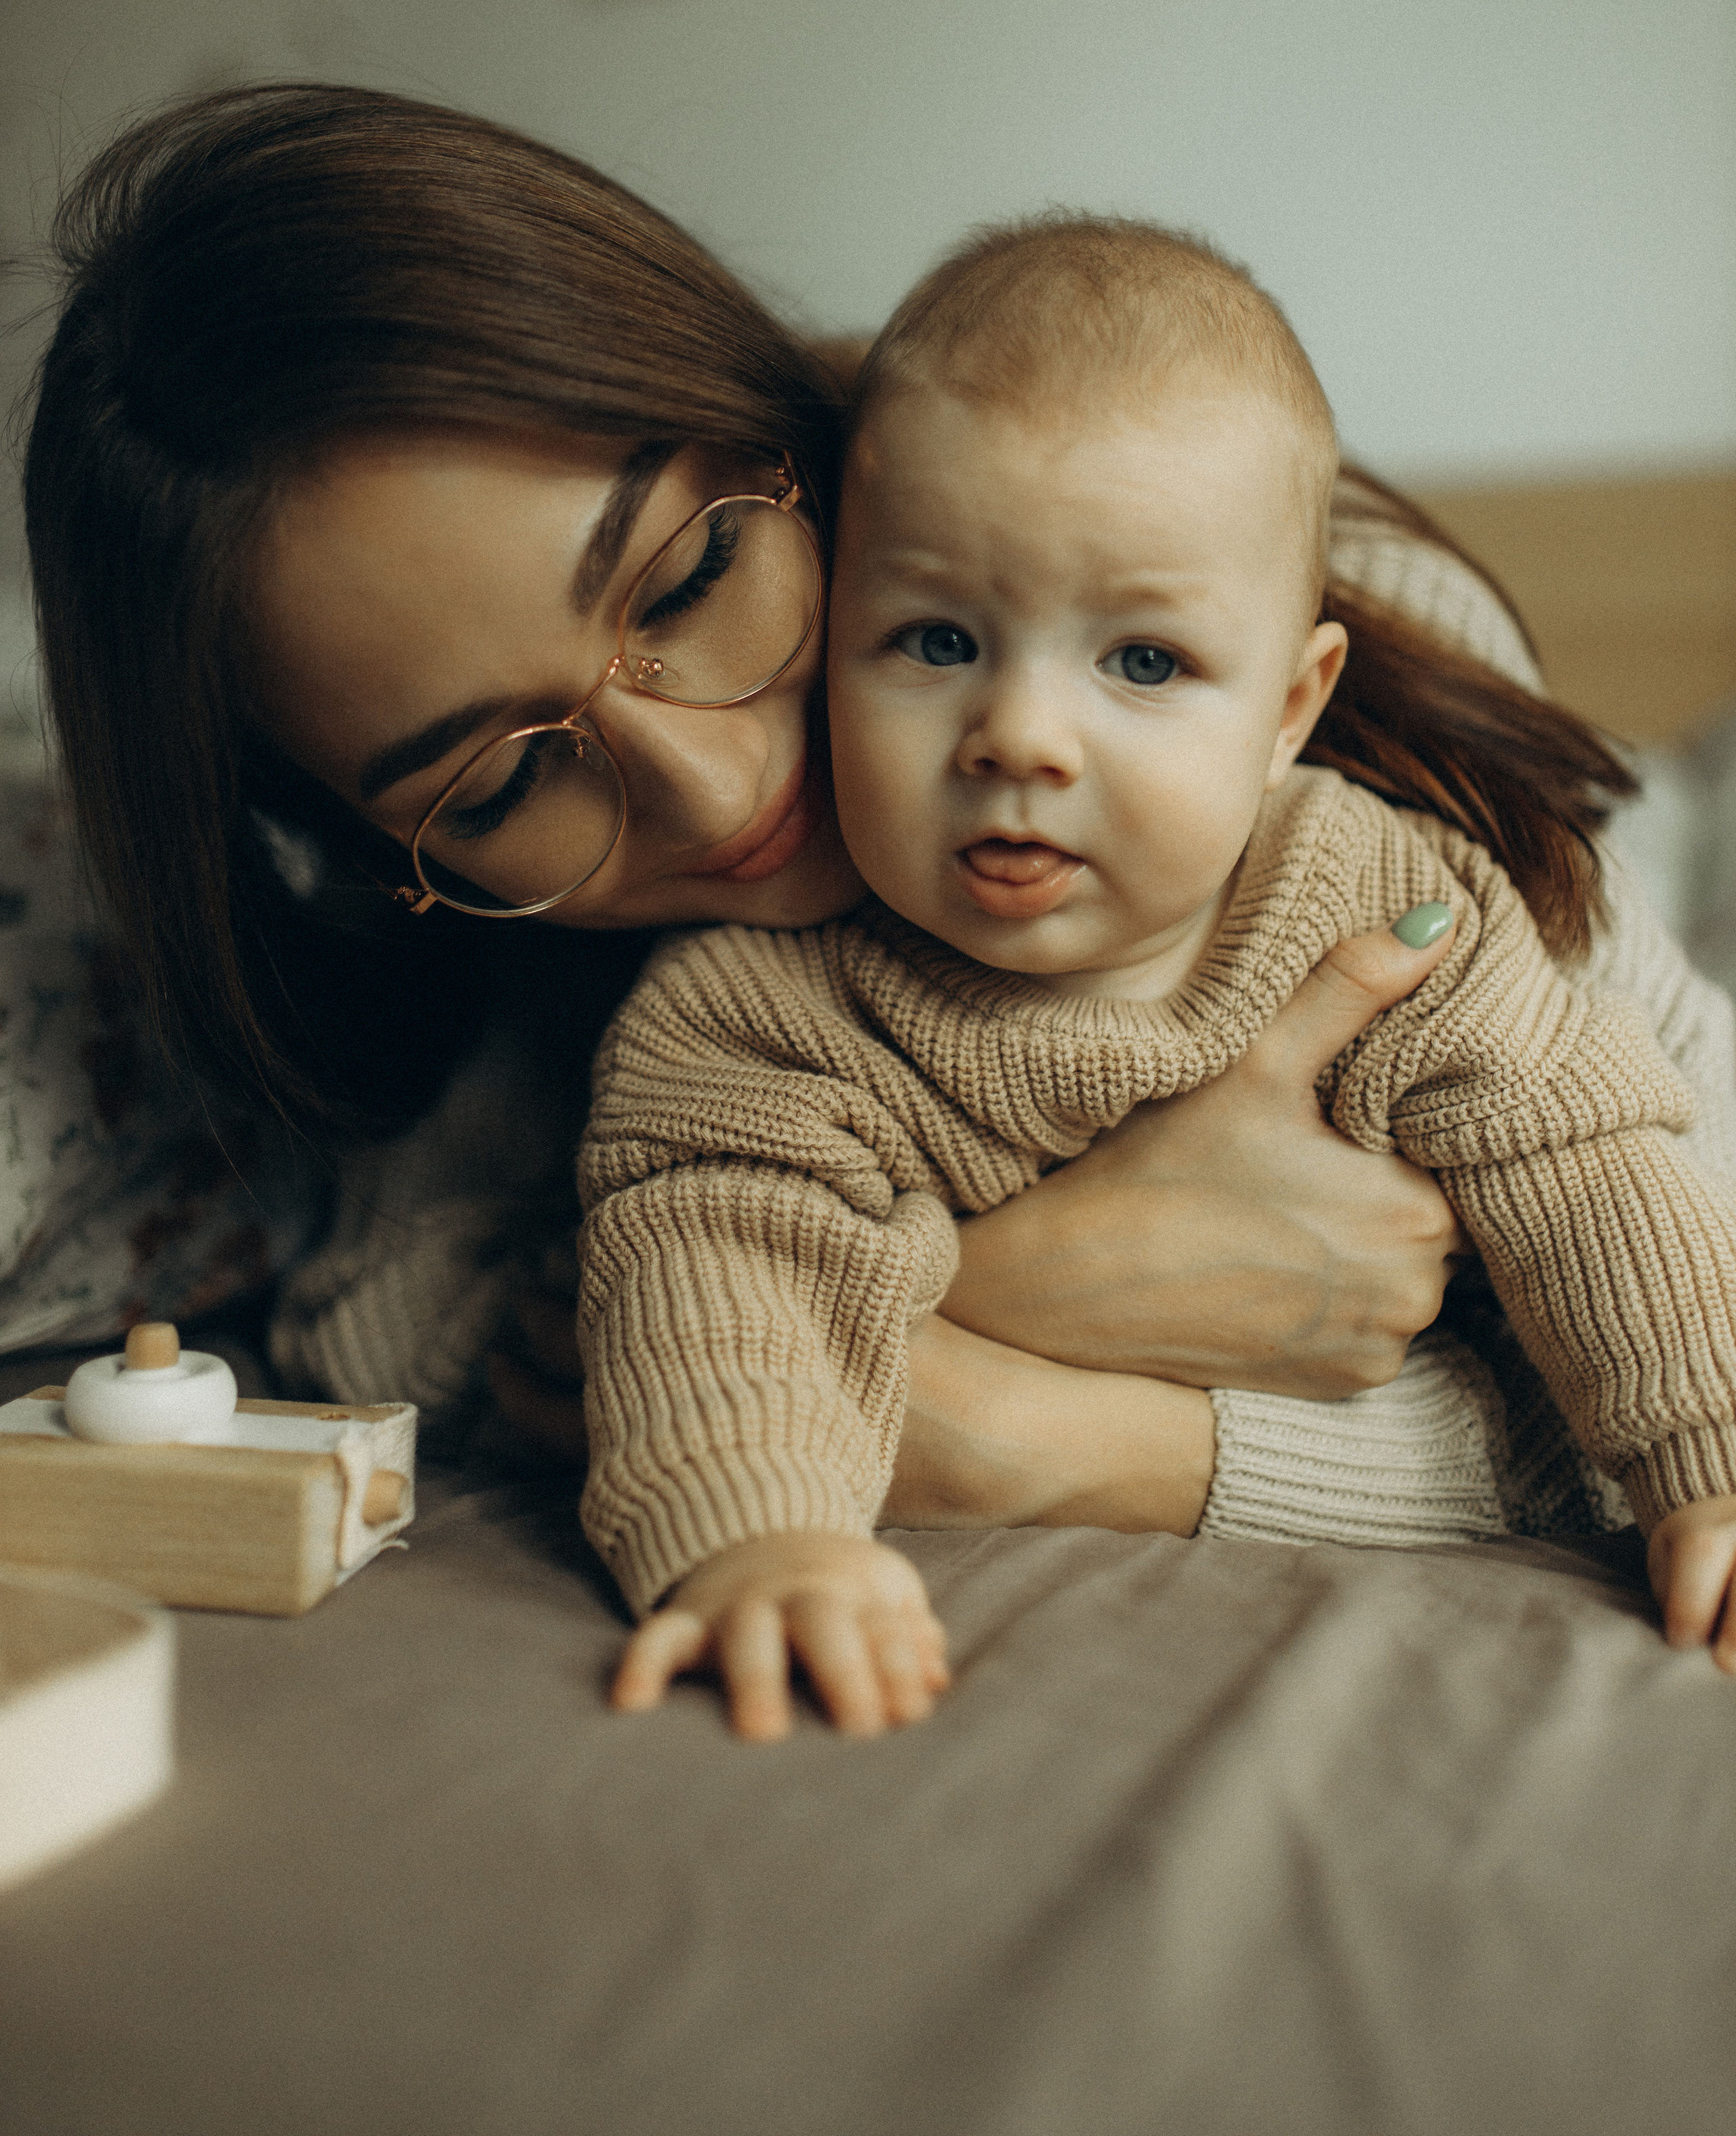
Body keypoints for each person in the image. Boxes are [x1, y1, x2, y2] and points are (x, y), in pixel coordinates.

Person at [19, 87, 1729, 1671]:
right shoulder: (676, 1006)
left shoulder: (1341, 725)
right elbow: (420, 1331)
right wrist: (997, 1312)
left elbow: (1635, 1270)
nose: (718, 781)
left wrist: (1082, 1432)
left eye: (692, 578)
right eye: (506, 776)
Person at [577, 216, 1736, 1737]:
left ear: (1288, 708)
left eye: (1139, 664)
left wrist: (1708, 1454)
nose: (1019, 738)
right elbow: (712, 1270)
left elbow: (1585, 1169)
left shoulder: (1373, 900)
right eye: (932, 639)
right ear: (826, 639)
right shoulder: (761, 1014)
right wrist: (757, 1536)